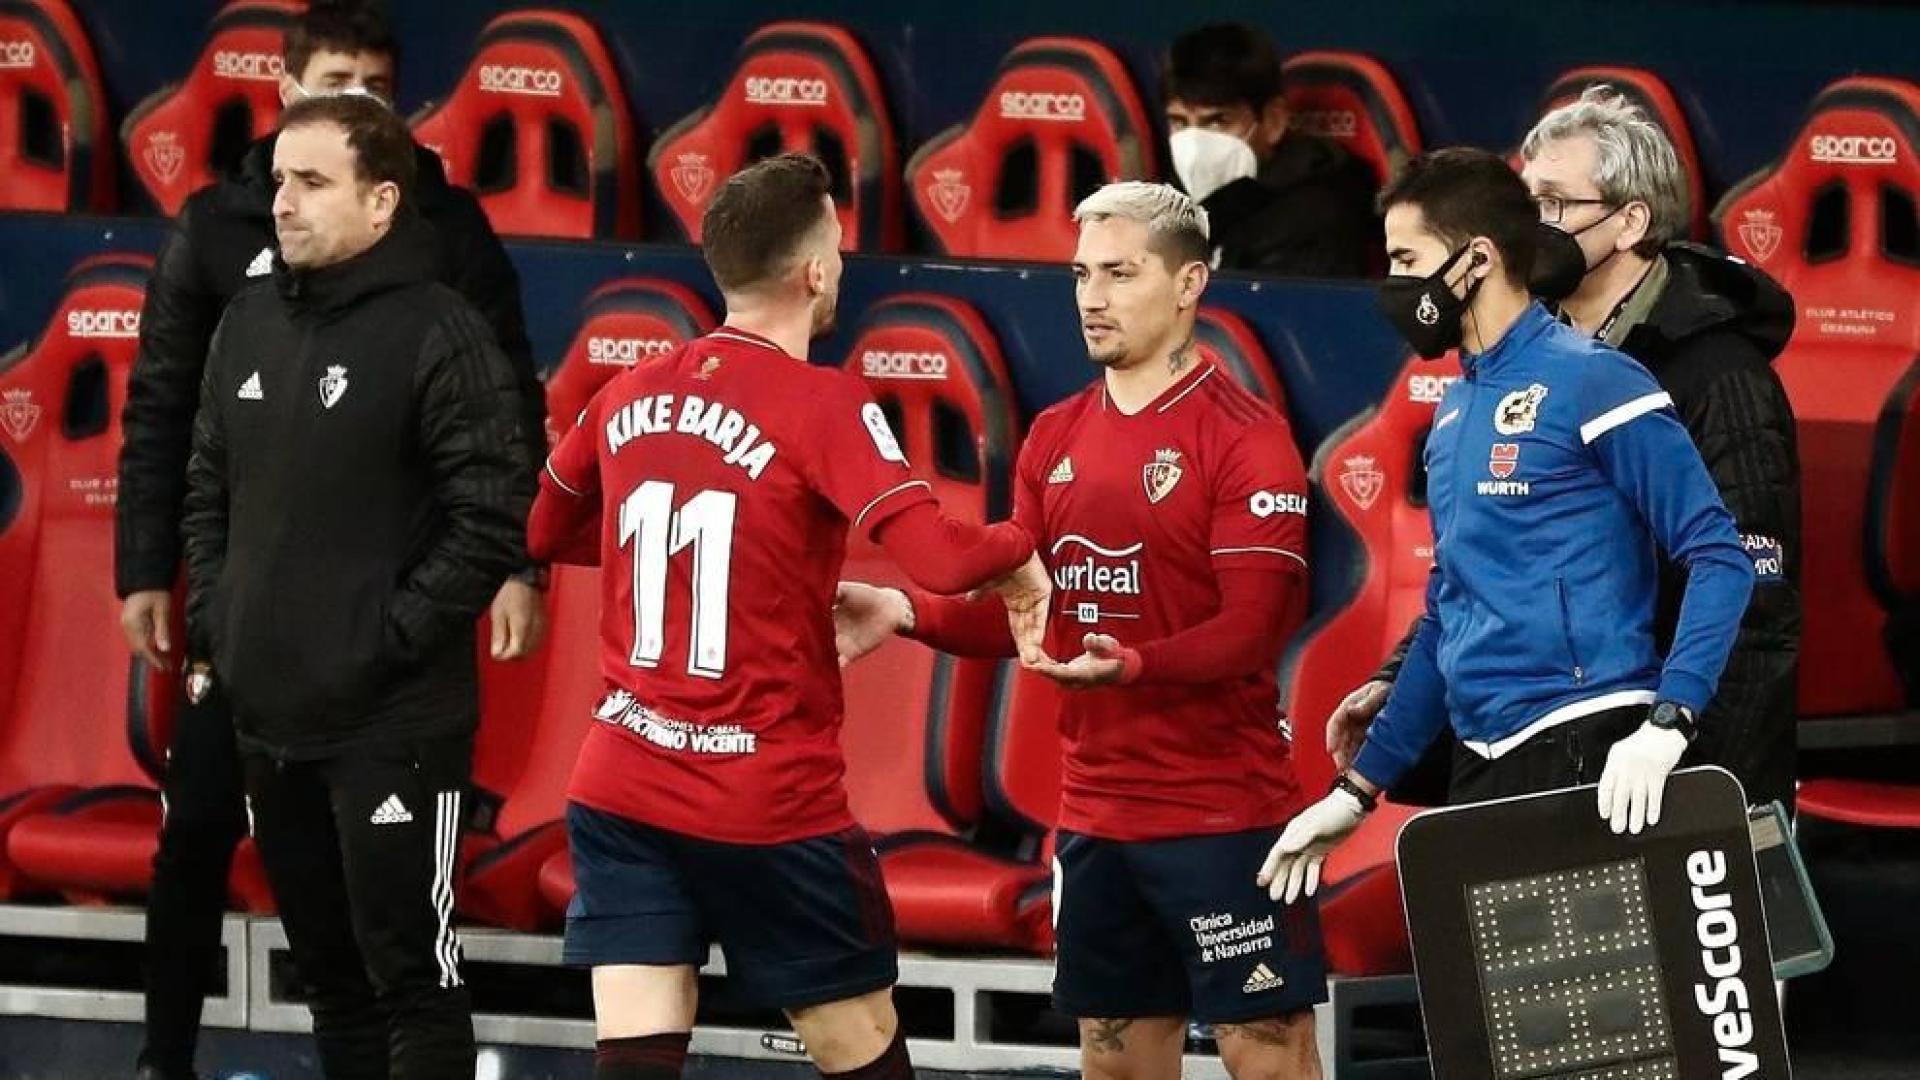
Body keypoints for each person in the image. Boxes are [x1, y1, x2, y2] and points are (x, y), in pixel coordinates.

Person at [525, 152, 1049, 1080]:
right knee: (857, 1050)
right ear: (815, 270)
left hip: (622, 778)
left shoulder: (628, 389)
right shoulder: (826, 404)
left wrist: (724, 566)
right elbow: (940, 559)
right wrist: (1025, 541)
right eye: (838, 248)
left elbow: (545, 528)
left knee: (637, 1054)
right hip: (765, 799)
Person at [114, 4, 545, 1076]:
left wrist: (387, 632)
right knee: (329, 984)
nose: (281, 202)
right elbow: (200, 468)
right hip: (269, 700)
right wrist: (218, 607)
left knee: (410, 975)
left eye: (309, 185)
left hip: (389, 711)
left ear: (380, 199)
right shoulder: (247, 311)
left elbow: (492, 504)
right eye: (280, 181)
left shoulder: (443, 317)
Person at [835, 181, 1326, 1079]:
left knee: (1271, 1058)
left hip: (1224, 816)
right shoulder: (1051, 435)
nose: (1092, 298)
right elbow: (1029, 615)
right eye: (1080, 275)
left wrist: (1130, 665)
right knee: (1116, 1063)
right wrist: (905, 611)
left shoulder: (1250, 439)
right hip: (1095, 821)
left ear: (1189, 284)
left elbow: (1254, 631)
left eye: (1120, 274)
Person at [1259, 149, 1755, 904]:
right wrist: (1357, 792)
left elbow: (1721, 556)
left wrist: (1668, 722)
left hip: (1587, 746)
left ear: (1478, 258)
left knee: (1591, 1022)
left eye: (1406, 259)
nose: (1395, 287)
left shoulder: (1593, 378)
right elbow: (1451, 612)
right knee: (1490, 1024)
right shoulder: (1456, 409)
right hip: (1480, 759)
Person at [1325, 89, 1802, 813]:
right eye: (1525, 200)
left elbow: (1751, 607)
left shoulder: (1721, 375)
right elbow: (1486, 565)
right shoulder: (1503, 367)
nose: (1530, 224)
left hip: (1665, 765)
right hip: (1542, 753)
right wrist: (1401, 681)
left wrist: (1691, 775)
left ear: (1631, 221)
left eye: (1552, 203)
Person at [1163, 23, 1376, 277]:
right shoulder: (1166, 203)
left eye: (1217, 122)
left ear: (1273, 121)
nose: (1195, 145)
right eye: (1179, 122)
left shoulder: (1314, 220)